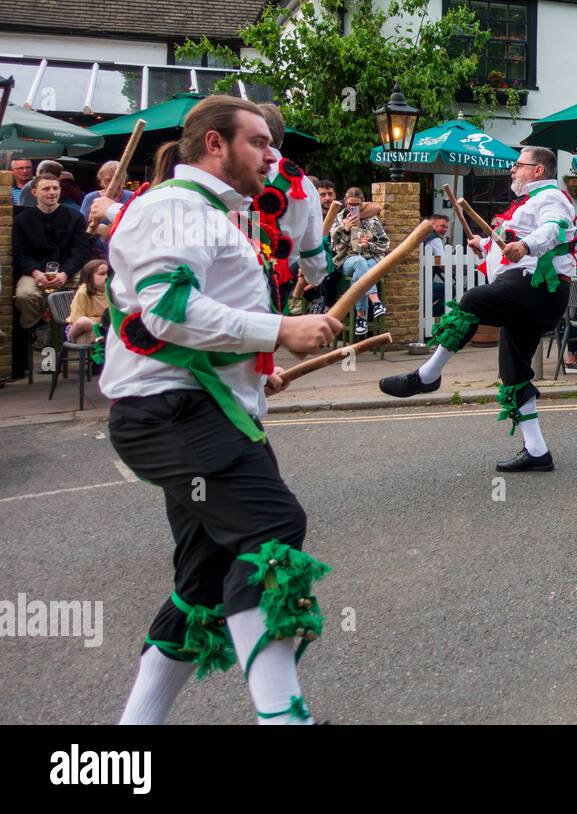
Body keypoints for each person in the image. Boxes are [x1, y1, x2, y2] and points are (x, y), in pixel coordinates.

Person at [102, 95, 341, 725]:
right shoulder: (175, 210)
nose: (272, 156)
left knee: (202, 582)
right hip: (171, 414)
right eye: (259, 143)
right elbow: (165, 312)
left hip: (197, 405)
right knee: (271, 529)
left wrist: (259, 367)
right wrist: (278, 329)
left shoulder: (209, 214)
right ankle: (283, 718)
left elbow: (197, 325)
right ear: (215, 144)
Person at [378, 147, 574, 473]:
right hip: (527, 293)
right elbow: (510, 244)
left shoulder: (550, 198)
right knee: (513, 374)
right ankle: (537, 451)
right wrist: (484, 245)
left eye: (518, 165)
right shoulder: (525, 206)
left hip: (540, 288)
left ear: (538, 170)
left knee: (472, 301)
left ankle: (428, 375)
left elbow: (553, 230)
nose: (512, 170)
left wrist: (525, 245)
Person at [253, 103, 327, 316]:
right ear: (281, 139)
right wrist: (316, 277)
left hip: (232, 275)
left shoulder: (235, 174)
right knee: (266, 340)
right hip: (280, 278)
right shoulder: (304, 184)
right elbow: (312, 249)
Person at [13, 172, 90, 338]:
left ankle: (74, 330)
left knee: (89, 291)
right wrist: (35, 272)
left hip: (68, 270)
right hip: (35, 271)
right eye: (46, 188)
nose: (52, 192)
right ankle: (39, 328)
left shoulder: (75, 217)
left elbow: (81, 251)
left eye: (55, 188)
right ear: (34, 192)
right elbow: (20, 253)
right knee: (25, 295)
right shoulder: (22, 220)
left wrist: (65, 273)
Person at [330, 187, 390, 337]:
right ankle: (376, 302)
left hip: (371, 259)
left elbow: (385, 244)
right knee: (360, 262)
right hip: (348, 260)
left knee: (364, 269)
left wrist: (370, 244)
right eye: (350, 204)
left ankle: (360, 317)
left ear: (363, 203)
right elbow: (335, 247)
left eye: (357, 204)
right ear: (345, 202)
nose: (353, 207)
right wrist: (345, 230)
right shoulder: (339, 219)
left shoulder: (373, 219)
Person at [81, 161, 136, 259]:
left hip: (125, 252)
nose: (115, 184)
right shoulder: (91, 198)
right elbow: (80, 228)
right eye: (109, 180)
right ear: (101, 181)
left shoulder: (132, 197)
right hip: (96, 254)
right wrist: (96, 229)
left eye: (120, 180)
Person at [67, 258, 108, 344]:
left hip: (101, 327)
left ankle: (102, 334)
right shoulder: (82, 292)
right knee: (83, 321)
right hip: (78, 330)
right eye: (102, 274)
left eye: (107, 273)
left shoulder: (110, 291)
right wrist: (98, 320)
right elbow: (77, 321)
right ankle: (102, 332)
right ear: (89, 277)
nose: (106, 277)